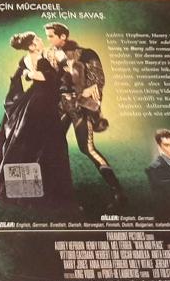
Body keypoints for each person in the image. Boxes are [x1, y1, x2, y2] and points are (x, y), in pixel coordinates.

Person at [44, 22, 126, 210]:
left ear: (63, 36)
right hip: (59, 105)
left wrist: (89, 89)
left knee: (87, 148)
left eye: (51, 36)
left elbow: (98, 80)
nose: (49, 39)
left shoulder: (87, 53)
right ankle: (58, 194)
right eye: (47, 36)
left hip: (80, 106)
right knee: (52, 146)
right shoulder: (48, 54)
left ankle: (118, 192)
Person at [0, 32, 75, 209]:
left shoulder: (25, 60)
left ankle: (25, 189)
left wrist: (29, 74)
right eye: (37, 39)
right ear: (31, 46)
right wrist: (61, 68)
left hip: (33, 101)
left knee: (28, 145)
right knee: (49, 144)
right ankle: (50, 192)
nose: (40, 40)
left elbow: (18, 78)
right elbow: (50, 79)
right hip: (42, 105)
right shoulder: (42, 60)